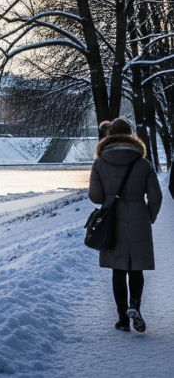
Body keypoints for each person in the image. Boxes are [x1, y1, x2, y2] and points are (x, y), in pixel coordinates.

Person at [89, 118, 162, 332]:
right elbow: (156, 196)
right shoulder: (142, 163)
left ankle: (122, 319)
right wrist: (149, 216)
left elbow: (95, 196)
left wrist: (108, 196)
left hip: (112, 220)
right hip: (139, 217)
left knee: (118, 270)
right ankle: (135, 306)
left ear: (110, 134)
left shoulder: (100, 162)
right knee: (136, 268)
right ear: (131, 135)